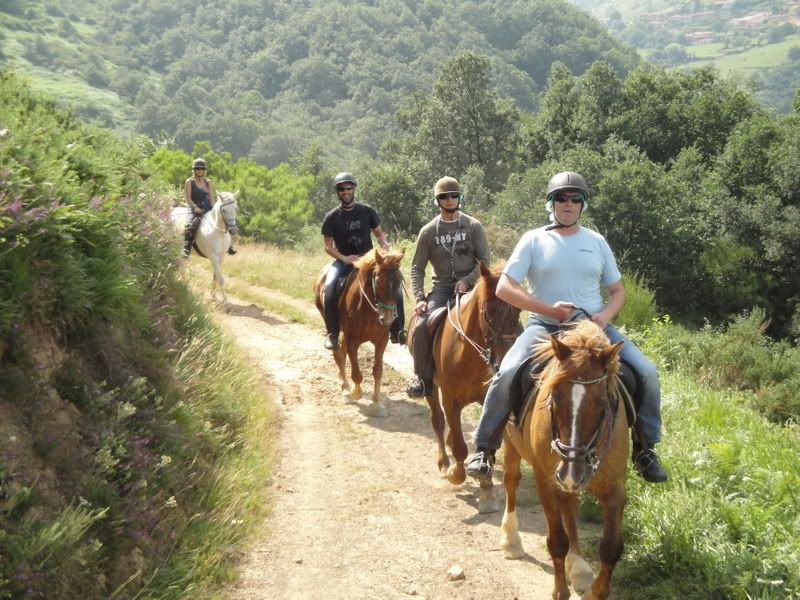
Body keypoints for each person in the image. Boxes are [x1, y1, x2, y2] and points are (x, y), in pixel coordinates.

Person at [465, 171, 668, 484]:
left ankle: (645, 448)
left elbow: (617, 291)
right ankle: (484, 448)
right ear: (551, 203)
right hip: (544, 327)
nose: (568, 203)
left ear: (583, 204)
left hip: (592, 329)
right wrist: (548, 309)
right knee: (507, 372)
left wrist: (604, 317)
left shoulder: (597, 242)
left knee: (646, 371)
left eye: (575, 198)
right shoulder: (533, 239)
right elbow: (505, 288)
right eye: (561, 198)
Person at [406, 176, 490, 397]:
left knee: (504, 318)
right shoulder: (428, 231)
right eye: (445, 197)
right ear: (438, 201)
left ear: (460, 198)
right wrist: (420, 298)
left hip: (472, 286)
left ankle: (509, 376)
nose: (450, 200)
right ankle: (422, 377)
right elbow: (417, 268)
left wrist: (468, 280)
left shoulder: (473, 226)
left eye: (454, 195)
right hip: (442, 287)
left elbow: (485, 263)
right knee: (422, 325)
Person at [320, 172, 406, 350]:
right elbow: (328, 246)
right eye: (342, 189)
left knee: (395, 284)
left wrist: (384, 245)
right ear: (338, 192)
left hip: (369, 261)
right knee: (329, 288)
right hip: (344, 261)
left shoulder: (367, 211)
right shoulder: (331, 217)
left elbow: (380, 234)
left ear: (354, 189)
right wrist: (344, 258)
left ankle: (397, 330)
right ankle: (333, 334)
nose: (346, 192)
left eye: (348, 188)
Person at [182, 157, 236, 258]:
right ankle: (186, 248)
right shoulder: (189, 181)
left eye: (202, 169)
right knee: (190, 225)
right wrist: (195, 208)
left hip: (207, 207)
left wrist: (215, 208)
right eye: (198, 169)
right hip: (194, 208)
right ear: (194, 170)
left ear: (204, 170)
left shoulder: (208, 182)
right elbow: (188, 198)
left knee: (226, 220)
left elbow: (211, 197)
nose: (200, 171)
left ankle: (229, 246)